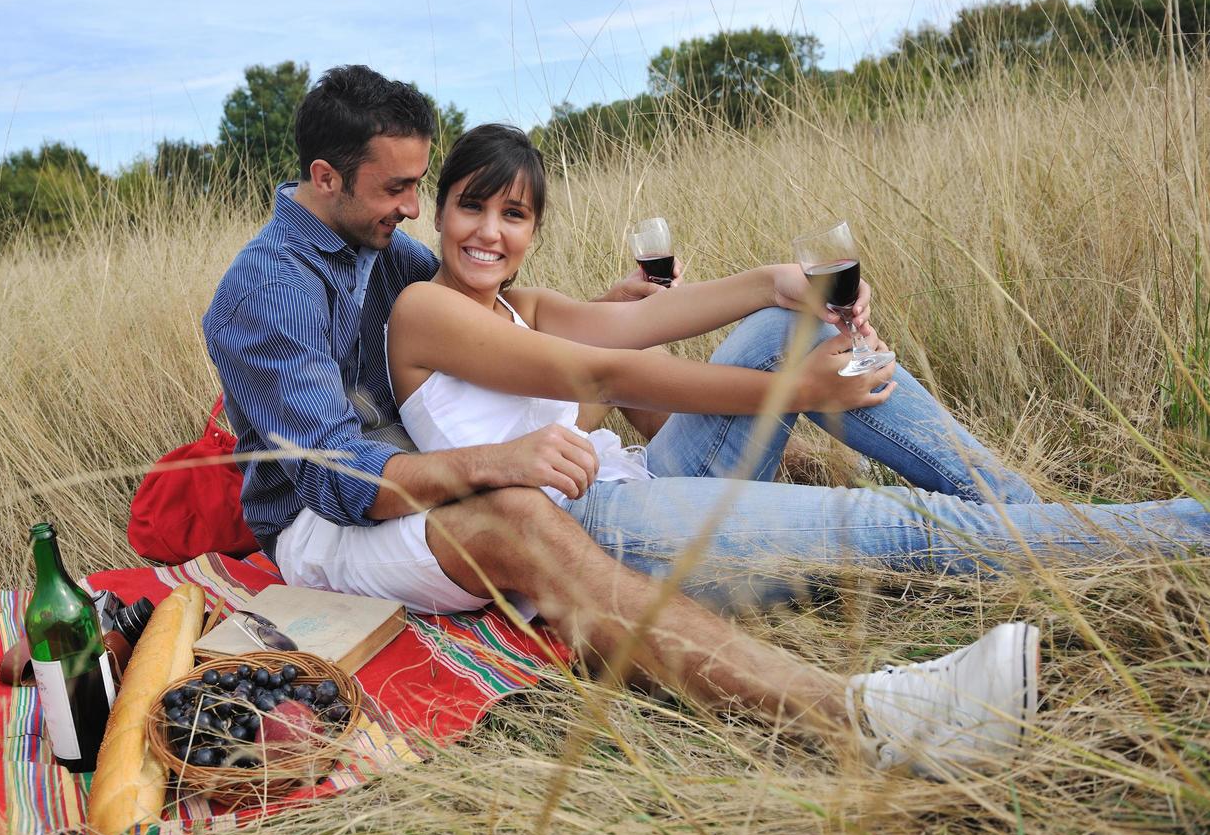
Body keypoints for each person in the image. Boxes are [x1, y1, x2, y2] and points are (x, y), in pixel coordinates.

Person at [203, 67, 1163, 779]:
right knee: (877, 528)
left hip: (594, 477)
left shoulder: (392, 253)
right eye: (404, 194)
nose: (417, 215)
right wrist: (794, 398)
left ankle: (1042, 531)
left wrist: (778, 283)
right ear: (326, 177)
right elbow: (344, 481)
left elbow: (598, 334)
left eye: (432, 193)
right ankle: (1142, 548)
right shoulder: (271, 292)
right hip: (332, 524)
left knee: (780, 329)